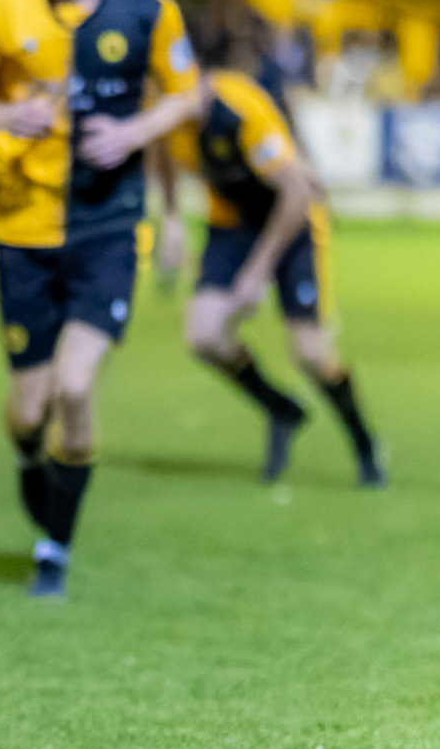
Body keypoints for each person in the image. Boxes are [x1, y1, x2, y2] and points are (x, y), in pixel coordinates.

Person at [0, 0, 202, 597]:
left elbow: (188, 96)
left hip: (108, 229)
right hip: (21, 232)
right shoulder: (2, 4)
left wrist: (134, 133)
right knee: (28, 411)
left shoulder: (148, 10)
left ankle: (54, 549)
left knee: (75, 384)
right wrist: (5, 116)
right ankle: (31, 459)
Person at [155, 56, 385, 487]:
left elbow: (297, 194)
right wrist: (171, 220)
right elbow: (162, 156)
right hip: (232, 224)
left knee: (311, 354)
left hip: (292, 223)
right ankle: (282, 410)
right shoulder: (165, 118)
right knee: (204, 335)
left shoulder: (239, 108)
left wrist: (257, 272)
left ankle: (364, 442)